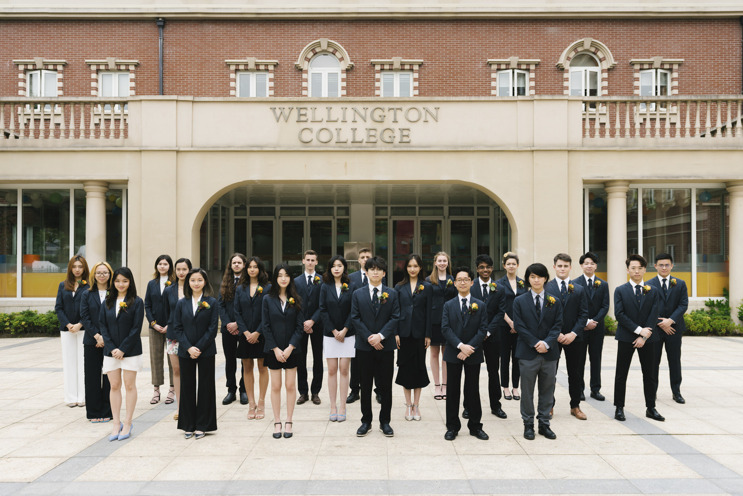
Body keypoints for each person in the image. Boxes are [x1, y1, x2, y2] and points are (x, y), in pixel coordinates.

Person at [512, 263, 563, 441]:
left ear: (545, 279)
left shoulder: (554, 300)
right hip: (527, 353)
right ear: (528, 279)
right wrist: (535, 343)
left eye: (539, 277)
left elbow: (557, 325)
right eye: (532, 277)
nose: (536, 280)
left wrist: (547, 343)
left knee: (547, 389)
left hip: (549, 354)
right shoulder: (519, 301)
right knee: (527, 391)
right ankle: (528, 424)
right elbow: (519, 325)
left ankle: (544, 423)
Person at [351, 256, 400, 437]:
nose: (375, 272)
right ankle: (366, 421)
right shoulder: (358, 294)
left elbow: (395, 317)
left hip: (385, 347)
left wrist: (380, 336)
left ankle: (385, 421)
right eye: (372, 269)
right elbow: (355, 318)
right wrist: (369, 337)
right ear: (367, 272)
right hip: (364, 347)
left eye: (379, 269)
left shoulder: (392, 293)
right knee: (365, 385)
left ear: (384, 273)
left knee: (385, 386)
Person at [613, 254, 664, 422]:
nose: (636, 271)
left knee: (649, 374)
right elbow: (620, 314)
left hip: (649, 338)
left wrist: (645, 335)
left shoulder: (653, 290)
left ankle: (651, 408)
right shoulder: (620, 290)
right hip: (627, 337)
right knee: (621, 373)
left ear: (645, 270)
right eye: (633, 268)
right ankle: (619, 408)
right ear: (628, 270)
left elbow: (654, 313)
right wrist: (638, 331)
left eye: (640, 268)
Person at [441, 266, 489, 441]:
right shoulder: (448, 305)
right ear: (454, 283)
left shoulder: (481, 305)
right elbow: (445, 329)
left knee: (472, 390)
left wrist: (469, 348)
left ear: (471, 282)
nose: (462, 282)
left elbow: (483, 329)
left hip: (473, 353)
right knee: (452, 391)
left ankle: (475, 426)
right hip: (454, 352)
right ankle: (452, 427)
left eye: (465, 279)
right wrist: (461, 346)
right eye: (459, 280)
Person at [173, 268, 219, 439]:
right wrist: (188, 347)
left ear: (205, 282)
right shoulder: (181, 303)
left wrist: (198, 347)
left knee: (206, 386)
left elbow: (212, 328)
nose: (196, 283)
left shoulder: (212, 302)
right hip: (186, 351)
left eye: (199, 280)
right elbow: (177, 327)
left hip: (206, 350)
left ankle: (203, 424)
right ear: (188, 282)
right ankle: (188, 424)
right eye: (193, 280)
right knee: (187, 386)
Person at [99, 267, 144, 442]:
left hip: (130, 351)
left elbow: (136, 328)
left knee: (129, 385)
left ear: (130, 282)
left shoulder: (137, 302)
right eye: (117, 281)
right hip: (111, 352)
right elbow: (103, 325)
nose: (121, 284)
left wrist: (123, 348)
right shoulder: (107, 302)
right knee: (114, 385)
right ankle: (116, 423)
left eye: (124, 281)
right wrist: (112, 348)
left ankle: (128, 422)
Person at [262, 264, 303, 439]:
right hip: (274, 349)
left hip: (292, 349)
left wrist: (290, 347)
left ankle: (289, 420)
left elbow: (300, 326)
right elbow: (265, 326)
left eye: (286, 275)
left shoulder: (296, 298)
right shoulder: (267, 299)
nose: (283, 278)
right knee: (276, 386)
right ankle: (277, 420)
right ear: (275, 278)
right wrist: (276, 349)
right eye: (280, 275)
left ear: (290, 278)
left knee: (290, 385)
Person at [545, 253, 588, 420]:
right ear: (554, 267)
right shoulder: (547, 288)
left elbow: (583, 314)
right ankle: (549, 405)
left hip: (574, 338)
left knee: (575, 373)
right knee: (549, 373)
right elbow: (544, 315)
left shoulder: (578, 289)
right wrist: (555, 334)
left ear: (570, 268)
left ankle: (575, 406)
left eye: (565, 266)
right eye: (559, 266)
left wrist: (573, 333)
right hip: (553, 339)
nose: (562, 269)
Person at [394, 254, 432, 421]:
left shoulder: (427, 286)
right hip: (403, 333)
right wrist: (395, 332)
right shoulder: (399, 287)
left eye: (415, 266)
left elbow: (430, 312)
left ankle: (417, 405)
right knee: (405, 369)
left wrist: (428, 334)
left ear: (420, 268)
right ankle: (408, 405)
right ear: (406, 268)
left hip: (419, 334)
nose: (412, 269)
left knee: (418, 368)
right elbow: (395, 312)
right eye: (410, 266)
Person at [319, 255, 356, 422]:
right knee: (332, 370)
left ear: (344, 268)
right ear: (330, 268)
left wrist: (345, 329)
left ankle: (343, 406)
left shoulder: (351, 285)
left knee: (344, 369)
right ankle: (333, 405)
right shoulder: (325, 286)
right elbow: (322, 309)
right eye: (333, 265)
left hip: (347, 334)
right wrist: (334, 330)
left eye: (339, 265)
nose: (336, 268)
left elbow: (353, 310)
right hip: (330, 334)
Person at [648, 253, 688, 404]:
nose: (664, 267)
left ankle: (676, 392)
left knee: (674, 360)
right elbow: (648, 307)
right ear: (655, 266)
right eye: (661, 265)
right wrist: (661, 323)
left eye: (667, 265)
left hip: (674, 329)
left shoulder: (680, 283)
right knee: (653, 362)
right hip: (656, 330)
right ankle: (652, 392)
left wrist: (670, 321)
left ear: (672, 266)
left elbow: (683, 304)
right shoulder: (649, 284)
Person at [234, 256, 271, 420]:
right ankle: (251, 403)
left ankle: (261, 402)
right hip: (245, 335)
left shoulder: (268, 288)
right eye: (250, 267)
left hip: (262, 334)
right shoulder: (240, 288)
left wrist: (257, 332)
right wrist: (246, 332)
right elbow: (237, 312)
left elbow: (269, 312)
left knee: (263, 368)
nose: (252, 269)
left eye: (255, 266)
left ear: (260, 269)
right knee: (247, 368)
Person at [472, 254, 507, 419]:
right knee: (473, 372)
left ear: (492, 269)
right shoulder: (471, 287)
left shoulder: (499, 288)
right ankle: (469, 406)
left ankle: (496, 405)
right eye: (481, 267)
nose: (485, 270)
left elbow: (501, 312)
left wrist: (488, 331)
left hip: (493, 336)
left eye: (488, 267)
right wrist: (479, 332)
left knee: (494, 371)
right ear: (477, 269)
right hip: (473, 336)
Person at [572, 252, 610, 401]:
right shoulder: (574, 284)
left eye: (592, 263)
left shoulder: (603, 284)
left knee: (596, 359)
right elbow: (573, 307)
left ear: (596, 266)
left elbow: (605, 306)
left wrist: (594, 321)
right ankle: (579, 389)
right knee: (579, 360)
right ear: (581, 265)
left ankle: (595, 389)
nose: (589, 265)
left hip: (597, 328)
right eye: (586, 263)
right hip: (580, 329)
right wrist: (585, 322)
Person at [79, 261, 113, 423]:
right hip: (91, 341)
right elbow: (84, 317)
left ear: (110, 274)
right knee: (92, 377)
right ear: (94, 275)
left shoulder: (114, 293)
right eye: (99, 272)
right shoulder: (87, 293)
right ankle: (93, 412)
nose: (102, 275)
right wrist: (97, 336)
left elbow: (115, 318)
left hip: (110, 342)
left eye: (105, 272)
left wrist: (105, 337)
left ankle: (107, 410)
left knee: (109, 377)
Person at [55, 255, 90, 407]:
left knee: (82, 364)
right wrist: (68, 324)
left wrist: (80, 324)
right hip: (67, 330)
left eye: (80, 266)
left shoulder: (89, 286)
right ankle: (70, 397)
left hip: (84, 330)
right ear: (70, 268)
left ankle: (82, 397)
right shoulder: (63, 285)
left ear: (84, 268)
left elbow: (91, 309)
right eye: (74, 266)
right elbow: (59, 307)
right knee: (69, 363)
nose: (77, 269)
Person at [162, 257, 192, 420]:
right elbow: (167, 312)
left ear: (189, 270)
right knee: (177, 370)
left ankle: (192, 405)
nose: (181, 272)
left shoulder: (194, 288)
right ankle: (180, 408)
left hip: (191, 335)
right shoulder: (169, 290)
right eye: (178, 269)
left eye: (184, 269)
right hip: (174, 335)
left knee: (190, 370)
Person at [144, 254, 176, 406]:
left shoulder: (175, 283)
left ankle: (172, 388)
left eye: (165, 264)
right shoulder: (152, 284)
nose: (162, 266)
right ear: (156, 266)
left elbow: (177, 305)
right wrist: (153, 323)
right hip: (155, 327)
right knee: (156, 359)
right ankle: (156, 390)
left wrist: (170, 324)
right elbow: (147, 305)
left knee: (172, 359)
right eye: (160, 264)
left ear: (170, 266)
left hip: (172, 327)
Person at [426, 251, 457, 401]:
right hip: (433, 320)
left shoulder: (453, 279)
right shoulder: (429, 280)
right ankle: (437, 385)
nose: (442, 263)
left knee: (446, 354)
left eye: (445, 260)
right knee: (433, 353)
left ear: (448, 263)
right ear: (435, 263)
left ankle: (445, 384)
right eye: (440, 260)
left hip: (449, 320)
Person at [496, 252, 527, 401]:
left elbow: (526, 304)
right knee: (504, 357)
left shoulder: (523, 283)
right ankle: (505, 387)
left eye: (514, 264)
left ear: (518, 265)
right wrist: (510, 322)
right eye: (508, 264)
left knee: (517, 357)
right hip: (503, 325)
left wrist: (518, 324)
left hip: (520, 327)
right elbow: (498, 306)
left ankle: (515, 387)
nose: (511, 266)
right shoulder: (498, 283)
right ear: (504, 266)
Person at [218, 253, 248, 406]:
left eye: (239, 262)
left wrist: (238, 324)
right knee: (230, 360)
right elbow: (220, 305)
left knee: (244, 360)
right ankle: (231, 390)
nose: (236, 265)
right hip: (227, 329)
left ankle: (244, 390)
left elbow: (249, 307)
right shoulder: (225, 282)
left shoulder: (248, 283)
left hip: (243, 329)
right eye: (234, 262)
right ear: (230, 265)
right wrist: (228, 323)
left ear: (244, 265)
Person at [294, 250, 324, 405]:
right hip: (301, 325)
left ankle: (315, 392)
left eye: (313, 260)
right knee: (301, 358)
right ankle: (303, 392)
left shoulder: (322, 280)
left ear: (317, 262)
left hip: (318, 325)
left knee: (318, 359)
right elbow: (295, 304)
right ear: (303, 261)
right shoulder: (296, 281)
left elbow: (323, 304)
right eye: (308, 260)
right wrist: (304, 323)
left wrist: (312, 321)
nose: (311, 262)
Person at [347, 247, 373, 403]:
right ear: (358, 260)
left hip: (374, 324)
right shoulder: (351, 278)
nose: (365, 259)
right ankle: (354, 390)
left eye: (367, 256)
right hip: (355, 325)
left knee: (375, 359)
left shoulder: (378, 276)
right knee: (355, 360)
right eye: (362, 257)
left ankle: (378, 390)